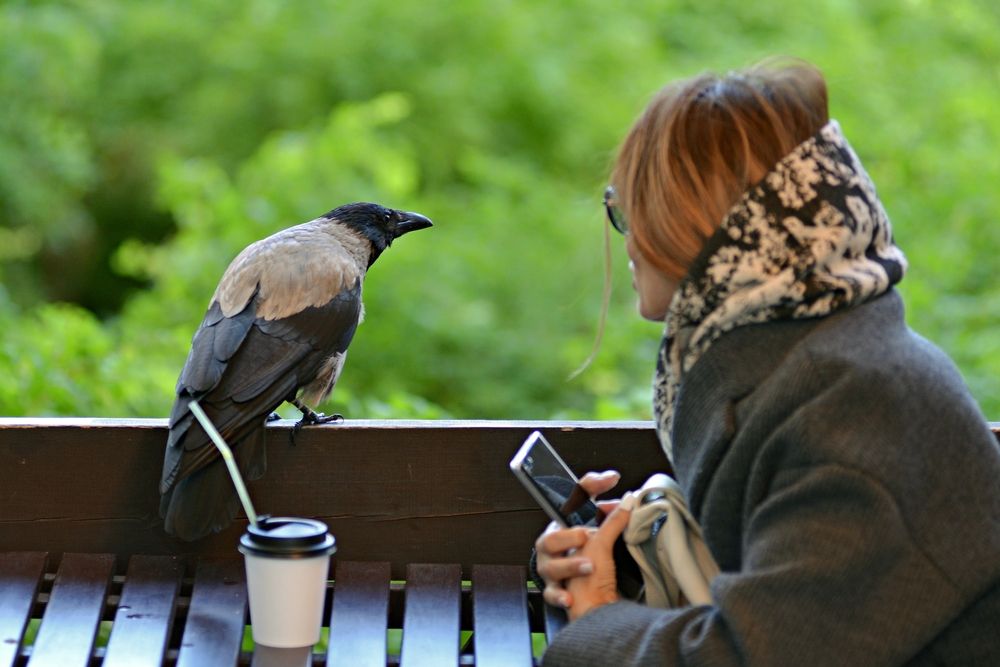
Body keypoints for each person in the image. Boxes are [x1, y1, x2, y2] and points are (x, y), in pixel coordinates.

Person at [535, 58, 1000, 666]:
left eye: (632, 208)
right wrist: (609, 562)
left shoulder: (855, 411)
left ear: (697, 224)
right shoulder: (818, 360)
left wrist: (597, 620)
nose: (626, 239)